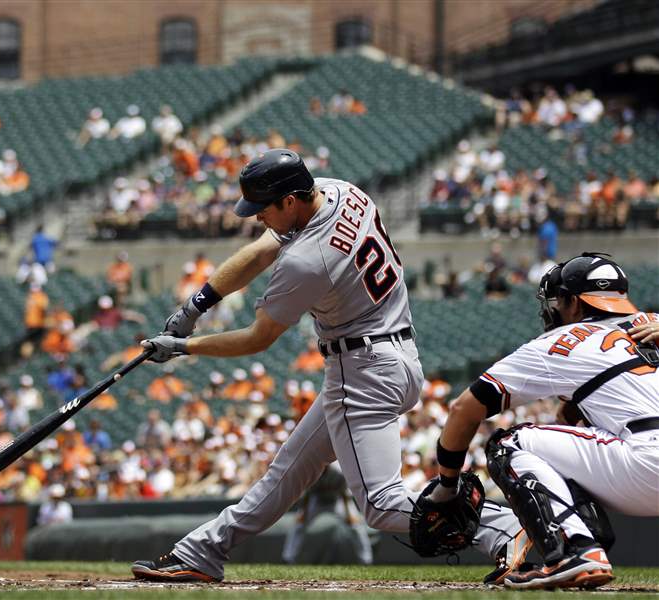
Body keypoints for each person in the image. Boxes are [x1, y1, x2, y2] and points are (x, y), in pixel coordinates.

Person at [131, 149, 524, 583]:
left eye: (264, 208)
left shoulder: (308, 259)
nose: (258, 218)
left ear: (291, 200)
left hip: (363, 369)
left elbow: (259, 337)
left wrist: (187, 346)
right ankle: (202, 550)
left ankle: (509, 529)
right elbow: (262, 250)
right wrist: (196, 304)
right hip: (391, 355)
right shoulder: (342, 191)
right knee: (287, 472)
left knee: (381, 503)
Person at [428, 253, 659, 590]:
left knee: (509, 444)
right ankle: (579, 535)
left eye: (558, 302)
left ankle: (574, 549)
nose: (553, 310)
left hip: (647, 464)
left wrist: (447, 485)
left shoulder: (563, 340)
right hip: (643, 451)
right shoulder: (652, 322)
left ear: (575, 304)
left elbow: (465, 408)